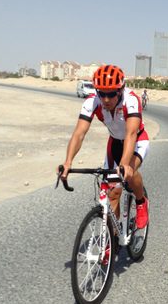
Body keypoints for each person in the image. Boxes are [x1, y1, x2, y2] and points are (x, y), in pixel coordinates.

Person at [60, 64, 149, 229]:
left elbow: (131, 134)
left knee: (130, 171)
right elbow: (79, 133)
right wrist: (68, 162)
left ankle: (141, 201)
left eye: (111, 94)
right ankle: (112, 238)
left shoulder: (131, 100)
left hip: (137, 141)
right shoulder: (92, 101)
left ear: (120, 90)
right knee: (113, 193)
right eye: (102, 94)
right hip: (114, 142)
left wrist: (123, 165)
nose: (106, 99)